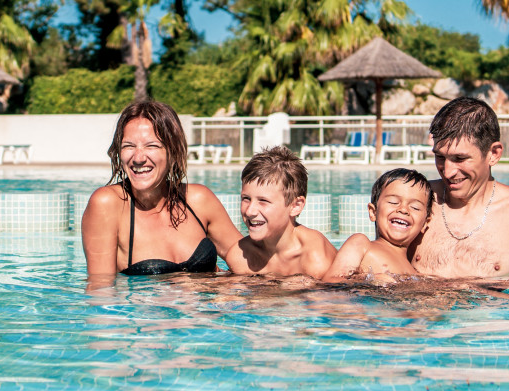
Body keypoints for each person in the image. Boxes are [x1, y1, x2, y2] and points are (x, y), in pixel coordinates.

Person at [325, 167, 509, 305]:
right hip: (382, 315)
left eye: (415, 207)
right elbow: (330, 287)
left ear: (425, 224)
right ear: (372, 211)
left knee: (478, 289)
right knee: (466, 291)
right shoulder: (361, 244)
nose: (403, 210)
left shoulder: (412, 268)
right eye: (393, 202)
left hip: (416, 316)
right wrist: (369, 290)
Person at [80, 101, 243, 287]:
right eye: (128, 146)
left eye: (152, 146)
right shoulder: (107, 204)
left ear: (172, 151)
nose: (138, 158)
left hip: (208, 304)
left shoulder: (198, 199)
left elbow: (252, 262)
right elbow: (101, 291)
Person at [410, 98, 509, 279]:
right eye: (440, 157)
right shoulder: (413, 201)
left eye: (460, 158)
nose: (448, 171)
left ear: (493, 154)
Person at [221, 146, 338, 279]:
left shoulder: (314, 257)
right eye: (246, 198)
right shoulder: (241, 257)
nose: (250, 211)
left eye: (263, 201)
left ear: (295, 206)